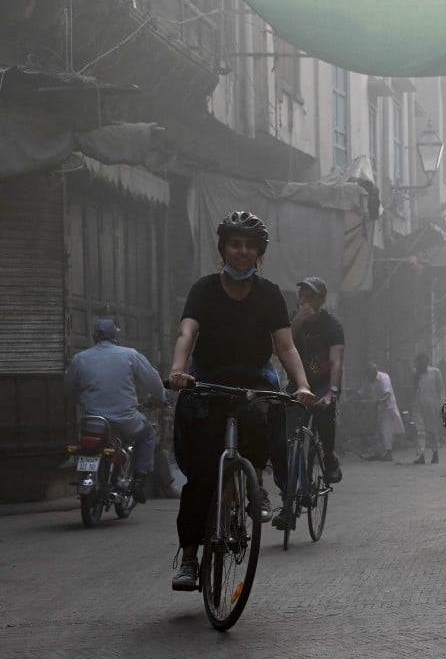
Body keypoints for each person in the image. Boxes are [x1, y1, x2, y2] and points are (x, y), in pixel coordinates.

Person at [166, 211, 314, 591]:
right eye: (235, 244)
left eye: (250, 246)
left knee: (267, 414)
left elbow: (285, 346)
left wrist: (301, 384)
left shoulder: (269, 294)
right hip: (208, 377)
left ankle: (256, 482)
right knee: (200, 478)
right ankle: (188, 558)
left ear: (259, 253)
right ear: (223, 249)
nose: (242, 252)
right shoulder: (203, 289)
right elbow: (187, 333)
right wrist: (179, 370)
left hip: (253, 375)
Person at [63, 318, 165, 504]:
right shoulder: (130, 355)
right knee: (148, 433)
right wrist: (161, 398)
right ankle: (139, 481)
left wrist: (82, 400)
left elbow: (68, 390)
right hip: (124, 423)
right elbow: (154, 382)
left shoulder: (80, 359)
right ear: (115, 336)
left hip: (92, 424)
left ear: (94, 336)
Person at [288, 276, 345, 485]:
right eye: (301, 296)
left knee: (324, 411)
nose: (304, 301)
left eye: (310, 297)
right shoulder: (294, 319)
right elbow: (284, 347)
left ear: (321, 300)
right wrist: (299, 321)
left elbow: (336, 361)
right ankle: (295, 490)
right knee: (289, 437)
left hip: (323, 383)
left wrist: (333, 391)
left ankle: (329, 457)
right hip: (298, 382)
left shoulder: (332, 325)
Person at [359, 363, 404, 462]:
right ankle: (378, 453)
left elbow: (387, 394)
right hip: (377, 409)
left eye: (370, 375)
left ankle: (389, 453)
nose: (369, 378)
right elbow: (362, 392)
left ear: (374, 372)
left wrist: (379, 401)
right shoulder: (369, 379)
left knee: (385, 430)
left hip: (387, 408)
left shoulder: (384, 378)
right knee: (376, 431)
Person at [411, 353, 444, 465]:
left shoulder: (435, 372)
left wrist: (441, 406)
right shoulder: (415, 373)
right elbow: (414, 391)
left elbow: (441, 390)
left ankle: (435, 454)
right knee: (420, 430)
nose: (419, 365)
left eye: (421, 362)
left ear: (426, 362)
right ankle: (421, 455)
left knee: (432, 431)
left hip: (432, 406)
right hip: (418, 406)